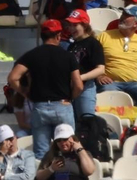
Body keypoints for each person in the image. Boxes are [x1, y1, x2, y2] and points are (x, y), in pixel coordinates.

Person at [7, 22, 81, 159]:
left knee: (41, 153)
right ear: (59, 36)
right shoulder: (68, 56)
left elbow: (12, 78)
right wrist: (70, 98)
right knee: (69, 149)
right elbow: (79, 85)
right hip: (62, 105)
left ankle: (43, 179)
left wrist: (25, 93)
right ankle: (68, 179)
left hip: (40, 106)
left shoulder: (31, 55)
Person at [95, 11, 137, 104]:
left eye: (127, 16)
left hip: (134, 83)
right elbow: (90, 59)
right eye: (123, 14)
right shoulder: (104, 36)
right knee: (109, 95)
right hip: (110, 82)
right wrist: (99, 75)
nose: (122, 17)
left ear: (136, 23)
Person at [64, 9, 108, 119]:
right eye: (70, 25)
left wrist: (79, 78)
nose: (71, 28)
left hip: (86, 88)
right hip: (71, 87)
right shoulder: (71, 46)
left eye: (75, 25)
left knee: (87, 121)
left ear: (84, 25)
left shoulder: (93, 43)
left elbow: (100, 69)